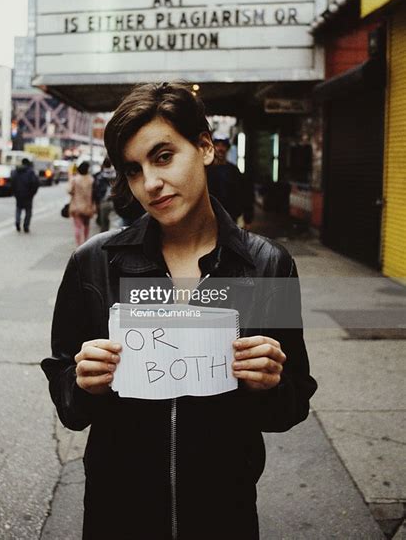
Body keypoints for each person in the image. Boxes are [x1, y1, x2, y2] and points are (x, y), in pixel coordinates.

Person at [41, 82, 317, 540]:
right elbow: (68, 403)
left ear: (205, 147)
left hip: (223, 512)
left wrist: (271, 382)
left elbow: (291, 404)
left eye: (163, 156)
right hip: (117, 512)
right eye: (133, 170)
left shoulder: (268, 264)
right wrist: (80, 381)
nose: (149, 183)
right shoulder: (93, 263)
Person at [207, 135, 254, 228]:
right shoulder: (206, 170)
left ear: (227, 149)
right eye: (217, 145)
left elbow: (245, 194)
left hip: (230, 218)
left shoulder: (234, 171)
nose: (220, 149)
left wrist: (248, 218)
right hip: (209, 218)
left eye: (223, 146)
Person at [68, 160, 95, 246]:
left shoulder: (75, 179)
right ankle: (86, 243)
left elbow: (69, 190)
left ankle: (78, 245)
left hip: (76, 206)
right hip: (88, 206)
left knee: (77, 227)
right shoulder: (91, 180)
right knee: (86, 226)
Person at [10, 157, 39, 233]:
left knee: (18, 209)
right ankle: (26, 225)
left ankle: (17, 221)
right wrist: (32, 193)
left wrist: (14, 192)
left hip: (18, 194)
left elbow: (12, 182)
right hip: (28, 195)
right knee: (28, 211)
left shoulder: (16, 171)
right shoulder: (31, 172)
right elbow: (35, 183)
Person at [92, 157, 116, 232]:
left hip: (103, 201)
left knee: (104, 224)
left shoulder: (99, 176)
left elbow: (95, 190)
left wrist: (95, 203)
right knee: (115, 224)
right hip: (115, 201)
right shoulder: (116, 174)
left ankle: (105, 240)